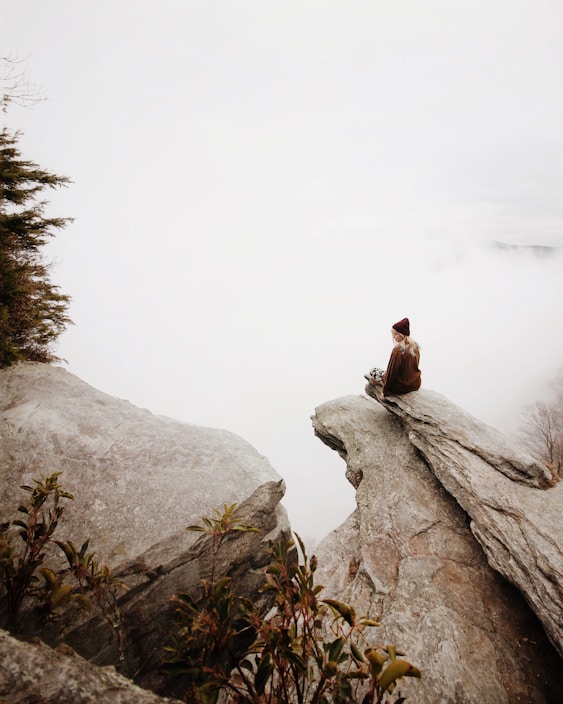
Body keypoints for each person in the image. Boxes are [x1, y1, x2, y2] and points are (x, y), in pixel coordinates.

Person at [365, 317, 421, 398]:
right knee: (384, 373)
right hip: (415, 384)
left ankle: (378, 381)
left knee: (373, 370)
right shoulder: (415, 347)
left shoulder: (398, 350)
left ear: (402, 334)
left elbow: (392, 372)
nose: (394, 337)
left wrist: (385, 392)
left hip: (400, 387)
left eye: (396, 334)